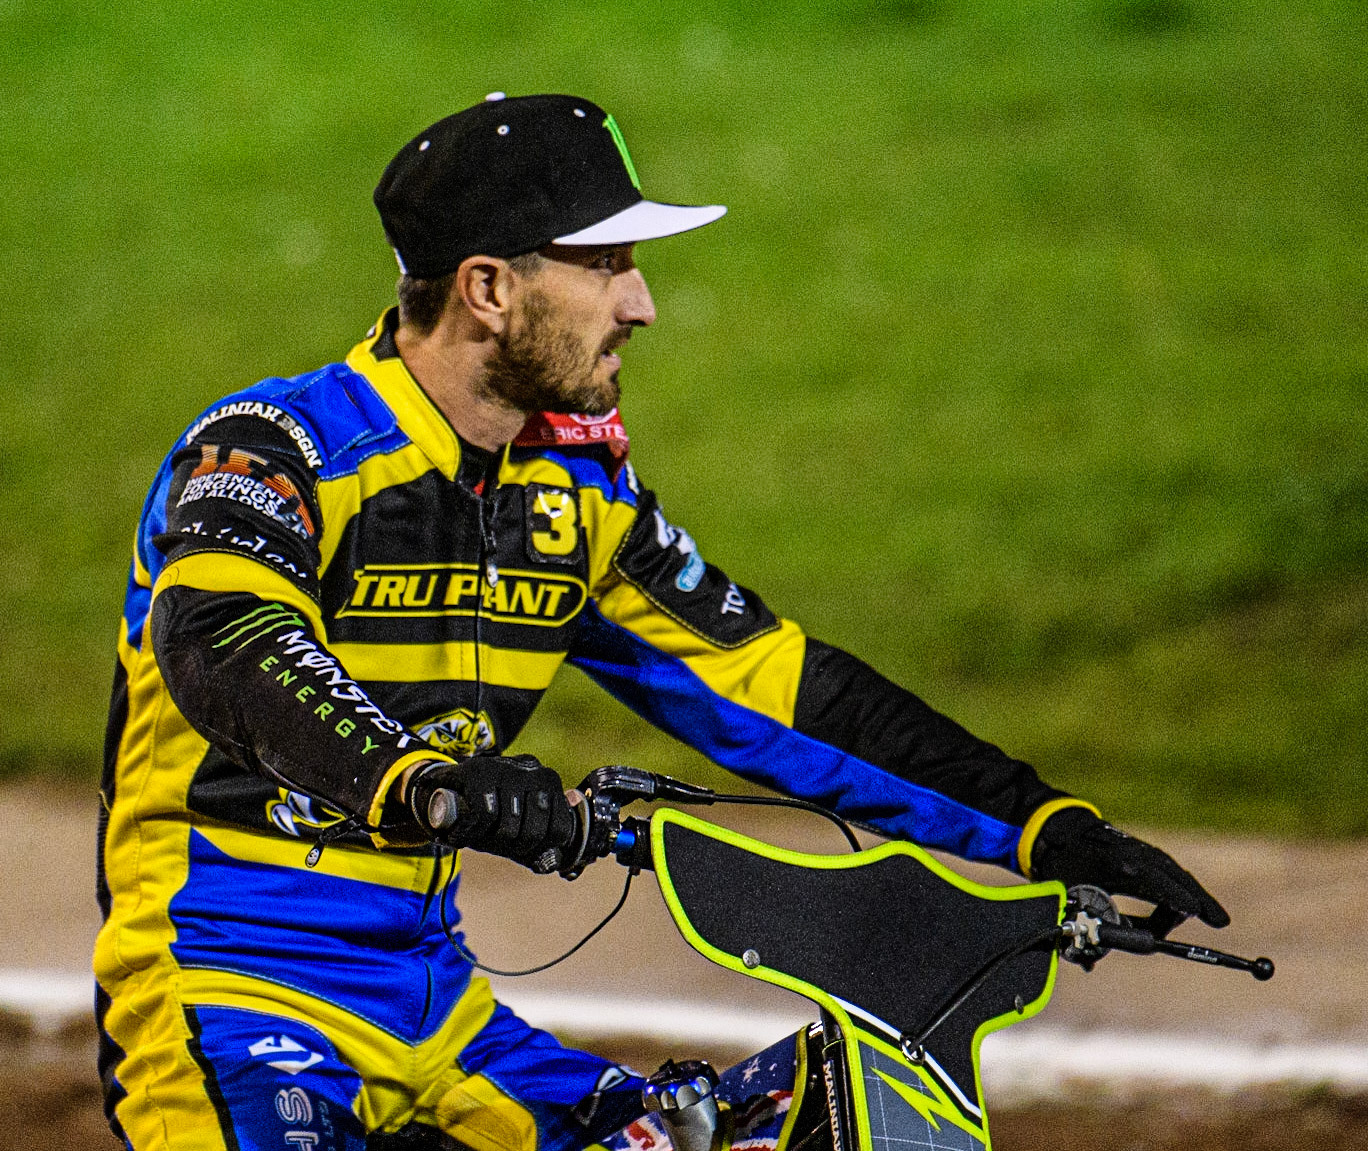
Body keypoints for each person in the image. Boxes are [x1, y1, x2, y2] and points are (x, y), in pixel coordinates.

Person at [94, 93, 1228, 1151]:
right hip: (228, 988)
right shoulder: (269, 447)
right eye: (608, 264)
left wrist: (1041, 827)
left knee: (770, 1126)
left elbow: (777, 689)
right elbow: (223, 645)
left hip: (441, 1011)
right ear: (489, 288)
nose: (641, 302)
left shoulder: (573, 496)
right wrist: (426, 782)